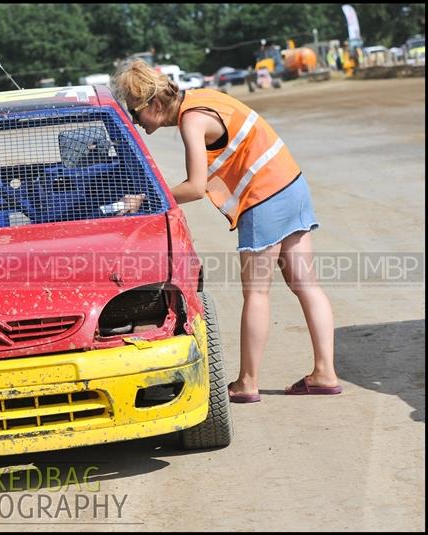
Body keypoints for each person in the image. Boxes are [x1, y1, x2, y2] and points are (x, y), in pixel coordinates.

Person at [114, 60, 342, 402]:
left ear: (156, 104)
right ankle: (325, 372)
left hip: (264, 198)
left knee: (257, 294)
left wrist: (147, 199)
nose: (134, 120)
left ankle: (247, 383)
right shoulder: (202, 97)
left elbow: (194, 187)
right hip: (292, 184)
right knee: (306, 285)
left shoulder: (192, 120)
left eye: (135, 112)